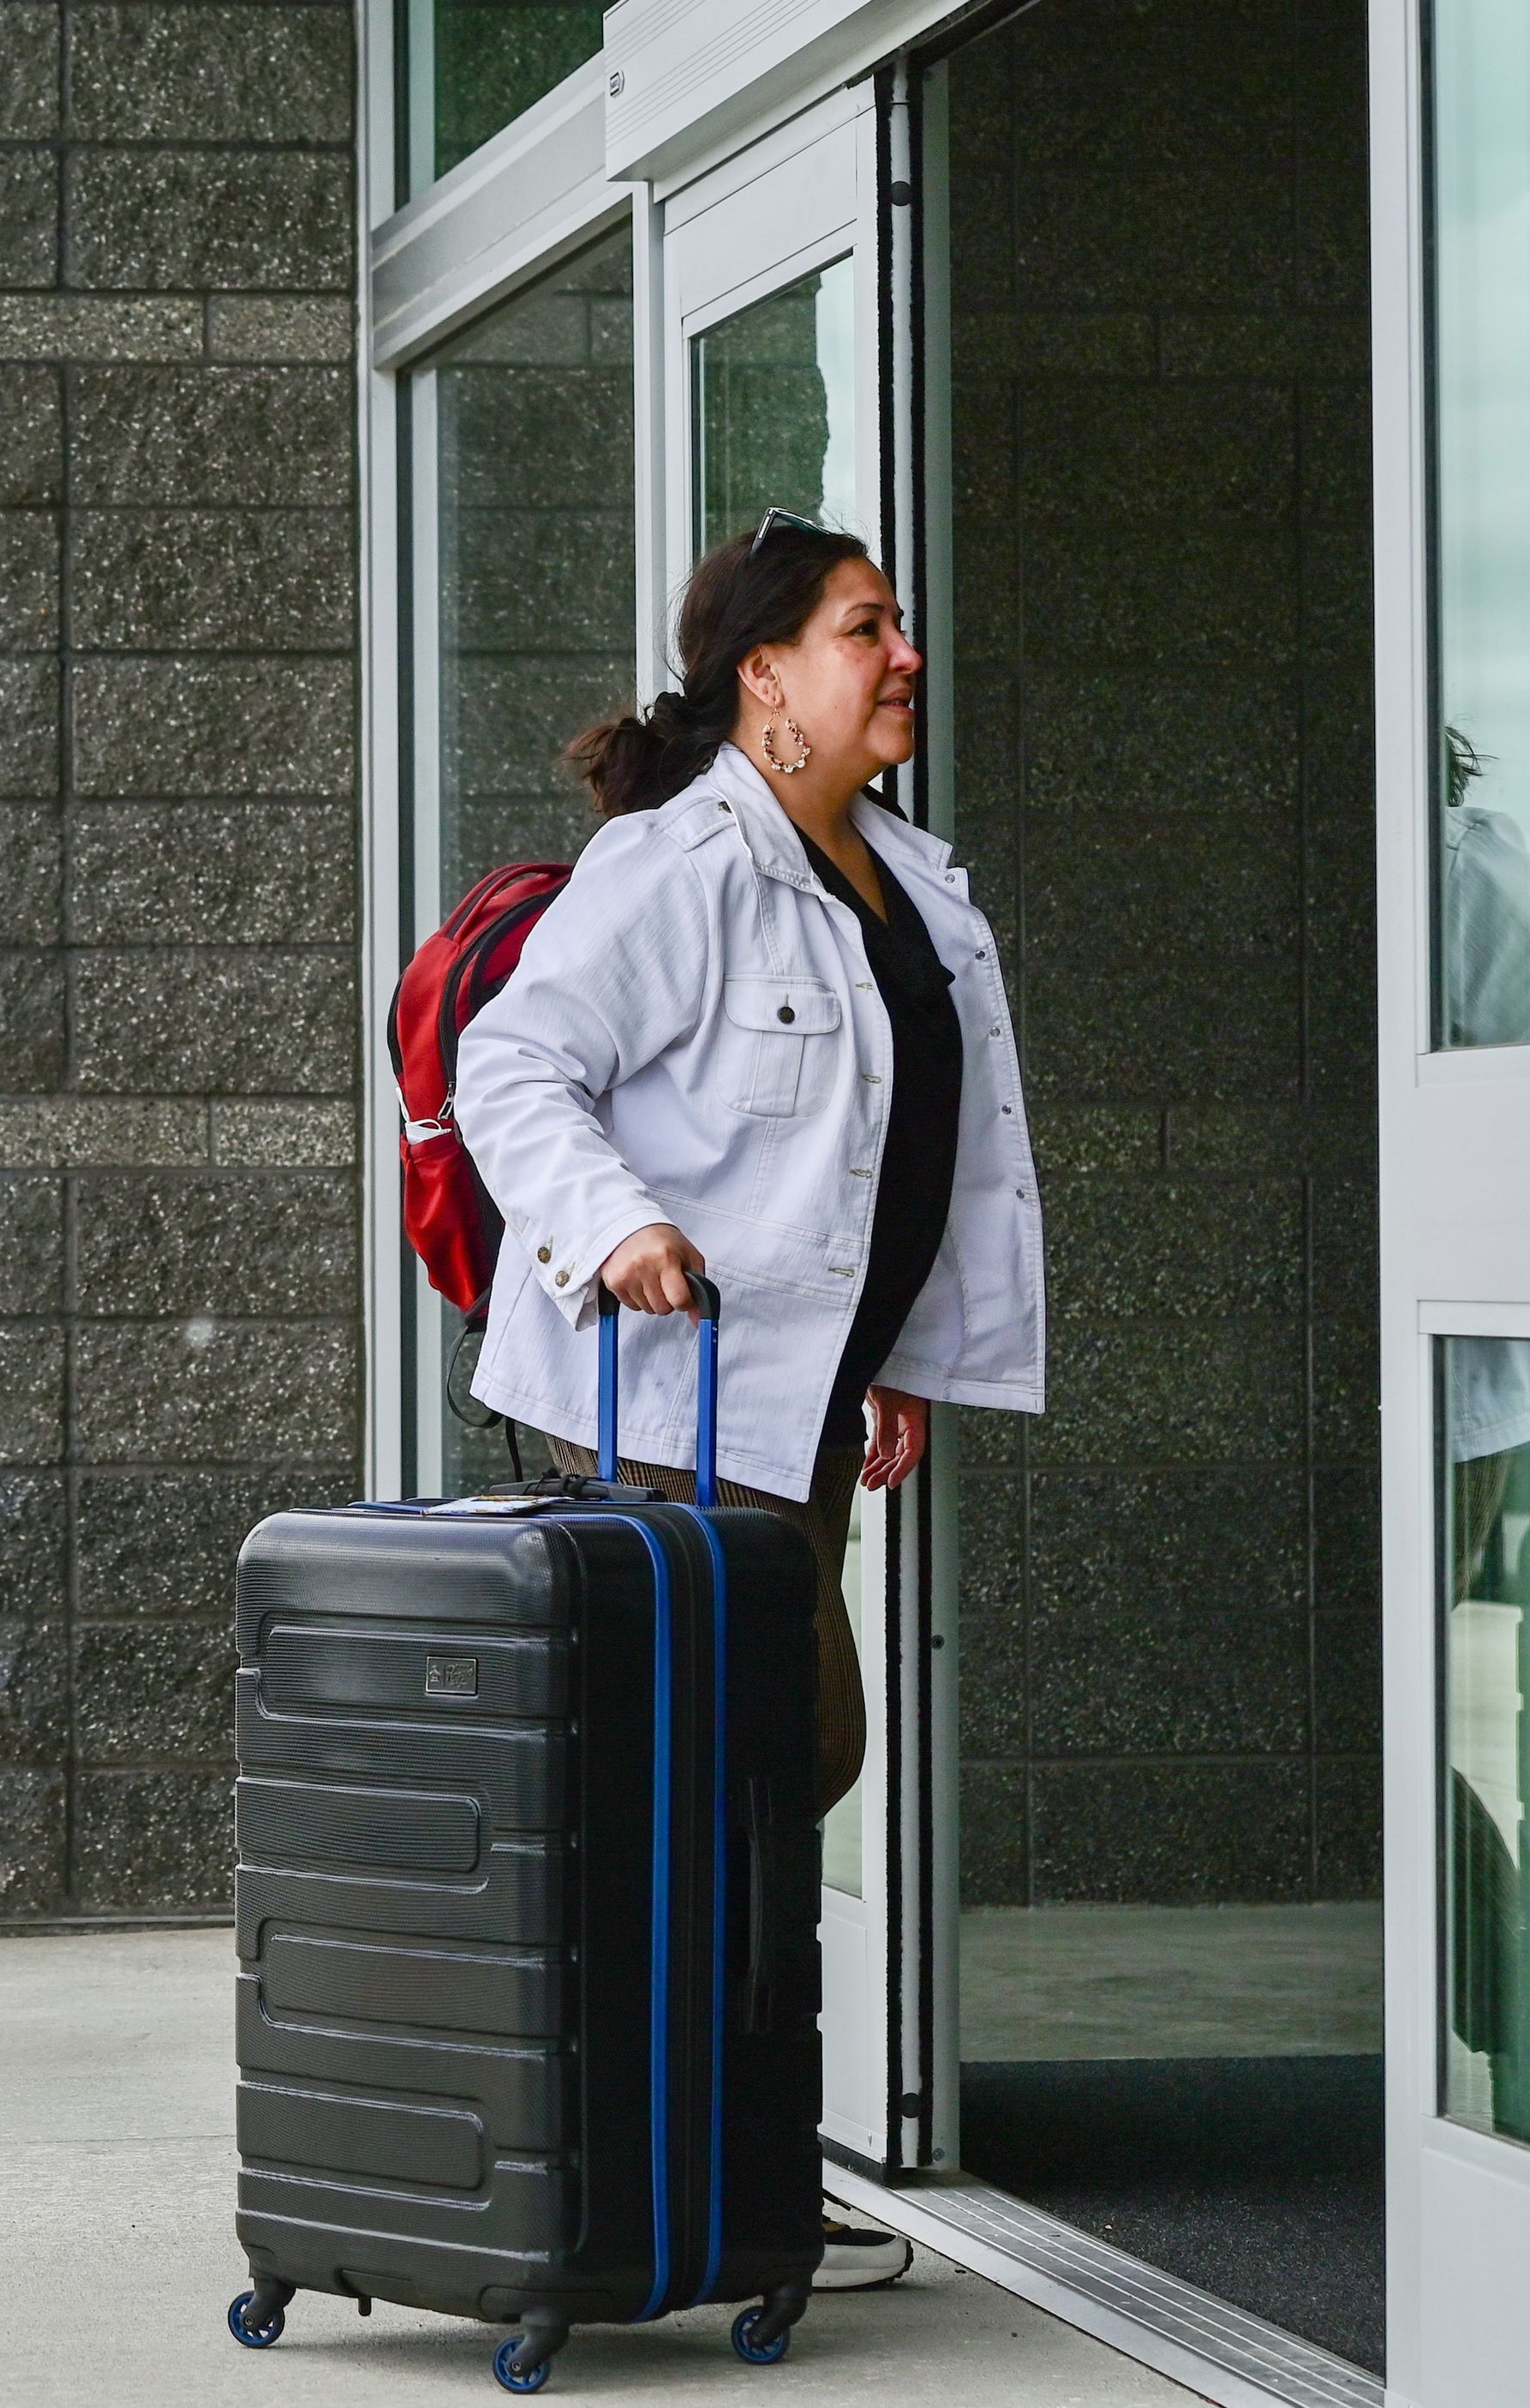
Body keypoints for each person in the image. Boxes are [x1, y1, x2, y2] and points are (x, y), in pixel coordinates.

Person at [455, 511, 1049, 2289]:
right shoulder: (678, 862)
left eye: (899, 622)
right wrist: (614, 1219)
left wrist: (901, 1357)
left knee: (751, 1766)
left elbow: (903, 1153)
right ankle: (695, 2159)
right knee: (751, 1766)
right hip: (663, 1403)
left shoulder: (907, 876)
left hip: (792, 1405)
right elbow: (516, 1061)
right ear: (763, 674)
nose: (905, 653)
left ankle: (688, 2152)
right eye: (869, 626)